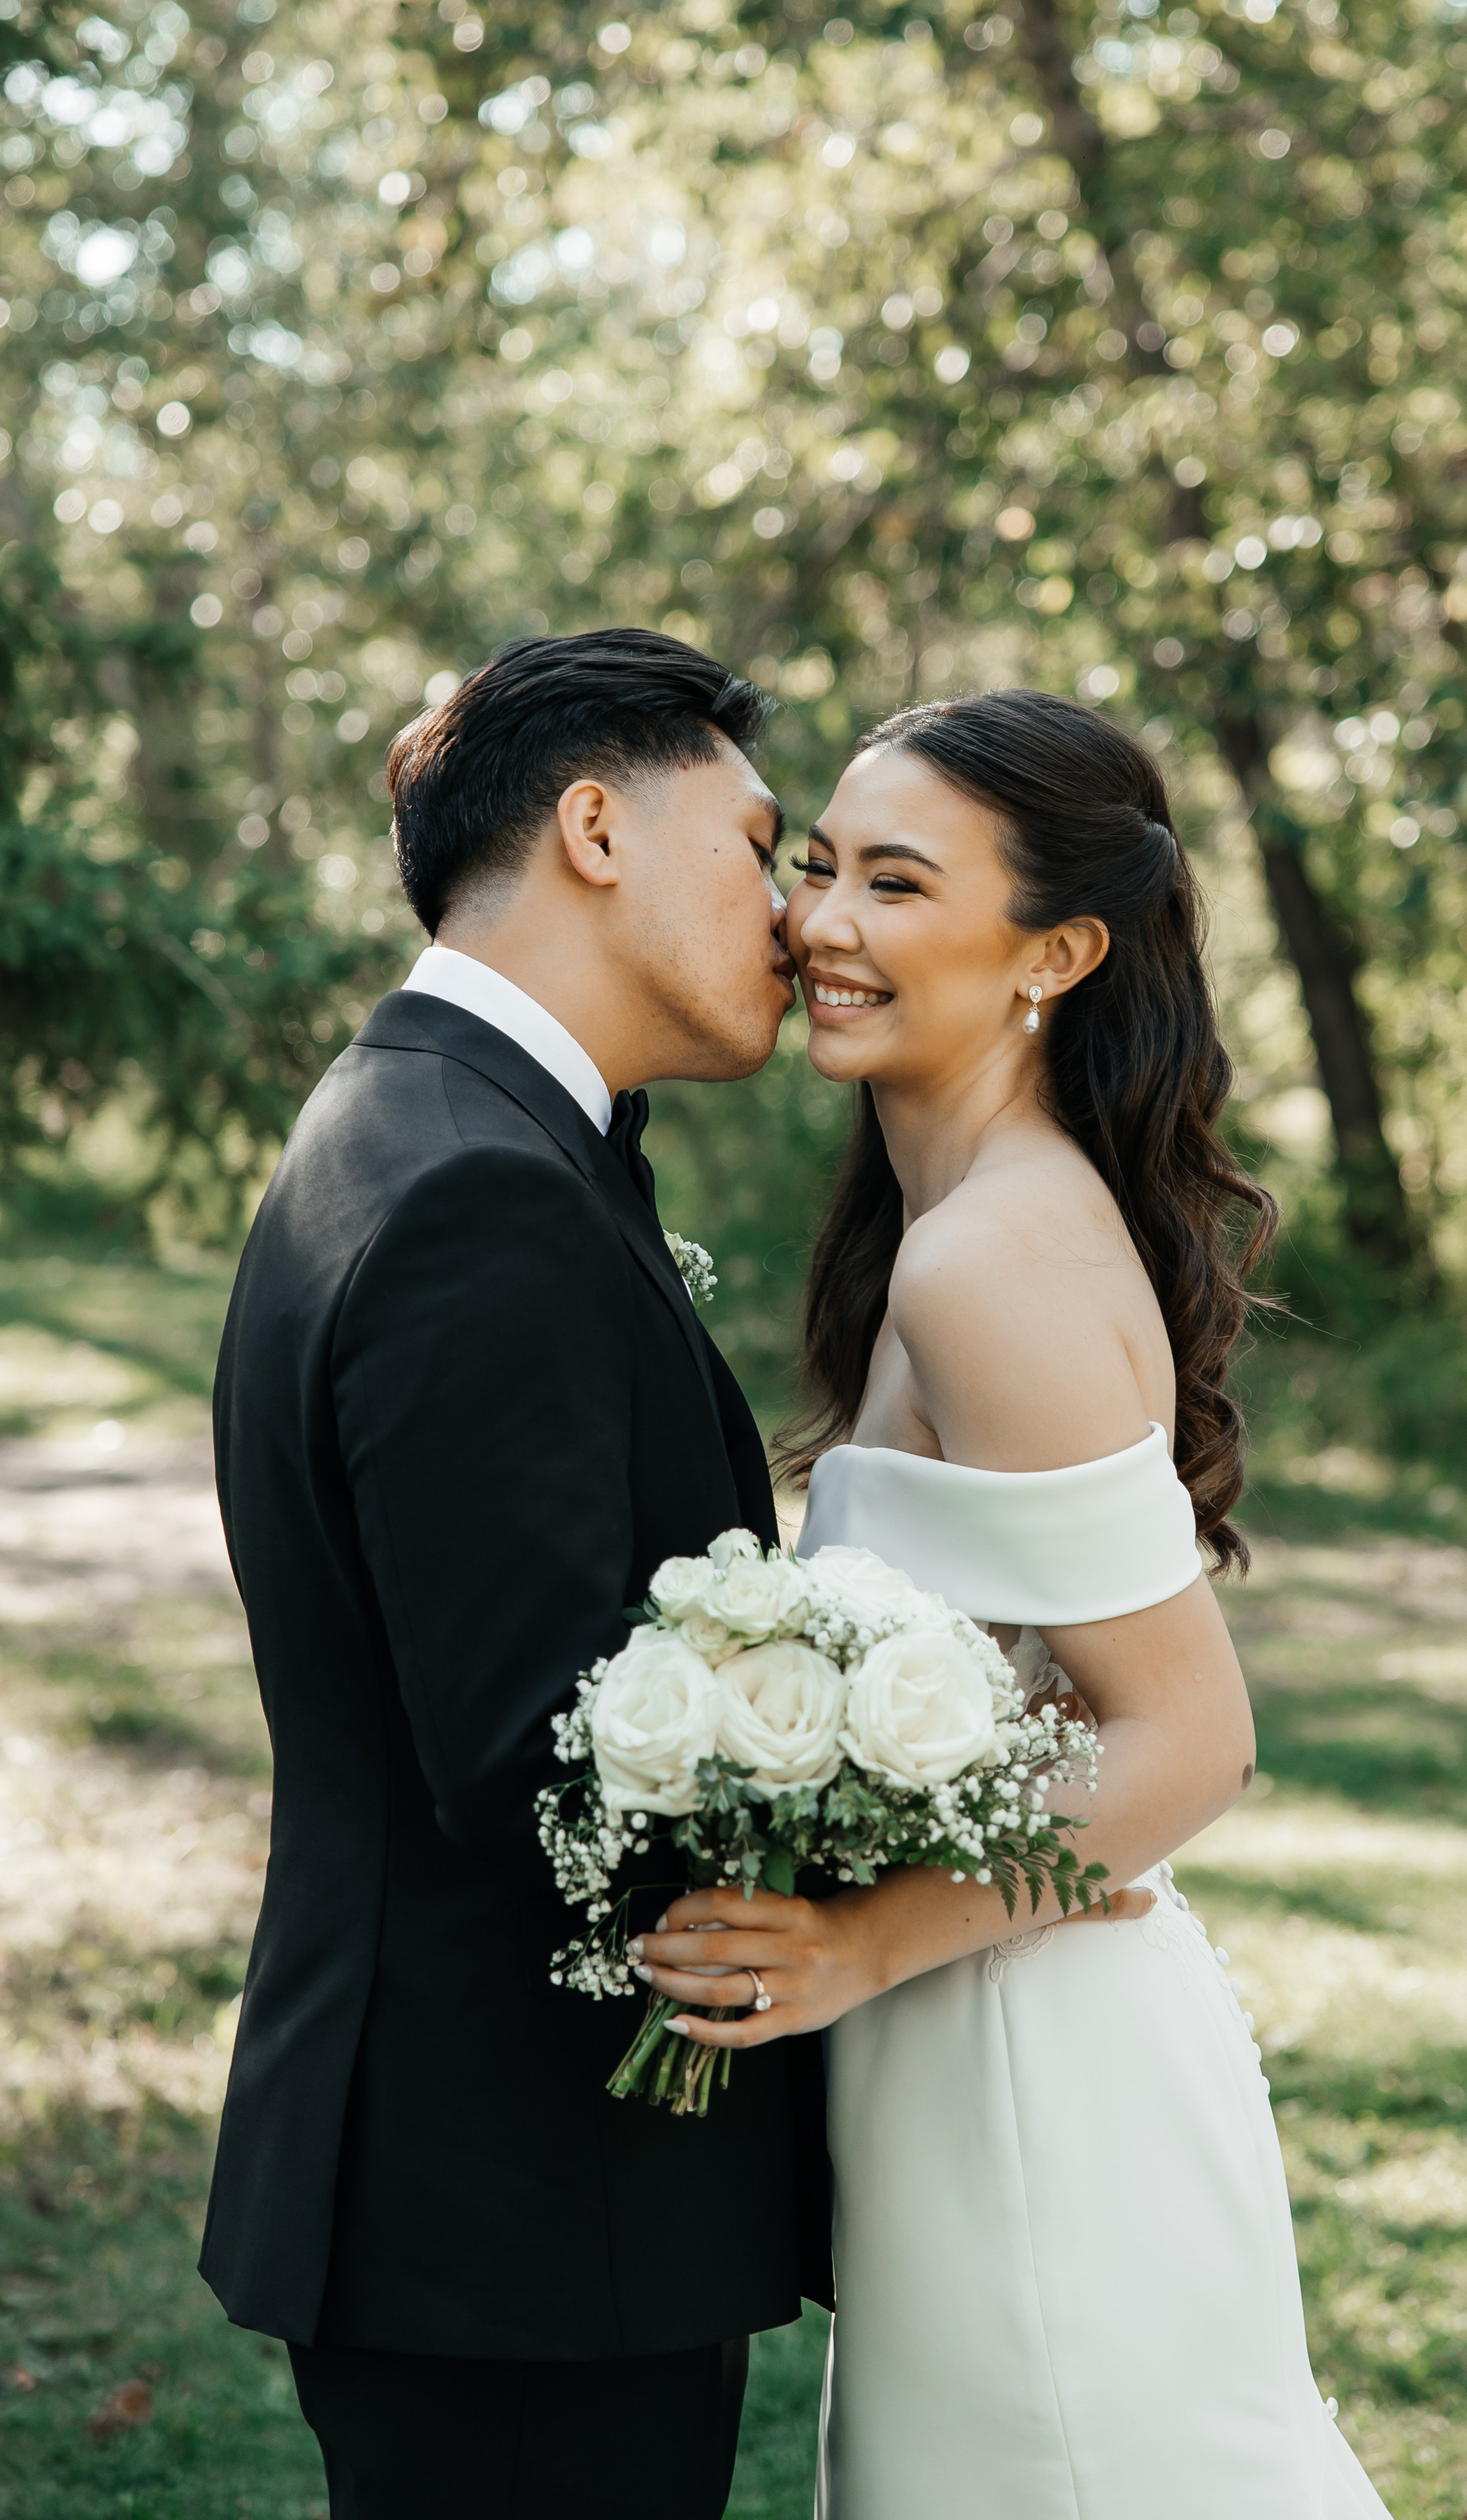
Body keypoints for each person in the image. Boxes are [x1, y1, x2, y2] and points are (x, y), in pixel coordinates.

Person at [629, 692, 1396, 2517]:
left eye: (898, 884)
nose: (821, 922)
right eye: (816, 867)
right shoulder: (952, 1226)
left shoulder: (993, 1261)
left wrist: (863, 1943)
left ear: (1052, 950)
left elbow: (1193, 1733)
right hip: (977, 2042)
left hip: (1028, 2073)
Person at [201, 629, 830, 2520]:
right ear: (593, 828)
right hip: (521, 2217)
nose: (795, 913)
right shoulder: (481, 1188)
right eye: (758, 842)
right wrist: (915, 1804)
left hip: (478, 2198)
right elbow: (548, 1751)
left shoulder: (431, 1125)